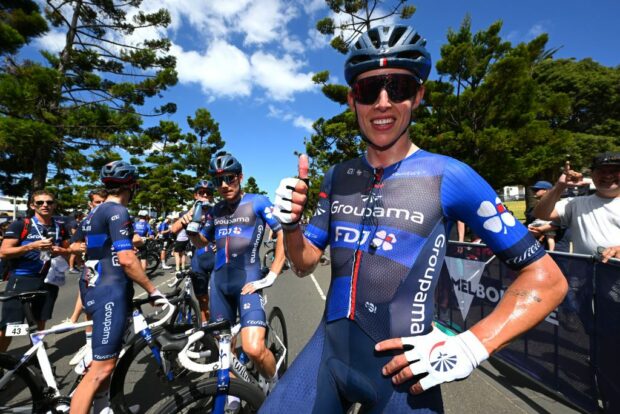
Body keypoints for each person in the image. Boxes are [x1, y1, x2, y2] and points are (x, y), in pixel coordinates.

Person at [265, 25, 568, 413]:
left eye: (400, 87)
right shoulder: (337, 176)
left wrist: (472, 346)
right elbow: (305, 264)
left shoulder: (450, 176)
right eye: (369, 89)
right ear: (351, 99)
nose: (384, 102)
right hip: (326, 356)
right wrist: (291, 226)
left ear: (419, 95)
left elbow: (548, 280)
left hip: (404, 379)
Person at [182, 154, 286, 400]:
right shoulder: (216, 209)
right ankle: (235, 395)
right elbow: (202, 243)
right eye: (218, 181)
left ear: (240, 177)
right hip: (218, 284)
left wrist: (273, 272)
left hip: (248, 281)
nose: (224, 185)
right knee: (224, 353)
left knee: (254, 348)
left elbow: (282, 232)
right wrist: (192, 230)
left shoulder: (257, 202)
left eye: (229, 178)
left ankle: (278, 389)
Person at [70, 161, 166, 414]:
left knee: (103, 360)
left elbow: (76, 245)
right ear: (132, 186)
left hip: (91, 285)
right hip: (110, 292)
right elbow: (126, 259)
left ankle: (103, 408)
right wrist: (152, 289)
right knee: (101, 369)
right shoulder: (118, 211)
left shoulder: (94, 212)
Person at [0, 190, 72, 352]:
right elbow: (3, 252)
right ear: (33, 205)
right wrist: (31, 246)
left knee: (41, 322)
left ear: (55, 205)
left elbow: (68, 251)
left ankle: (37, 359)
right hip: (22, 279)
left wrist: (61, 250)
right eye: (40, 203)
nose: (45, 205)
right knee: (10, 326)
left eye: (49, 202)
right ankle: (2, 360)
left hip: (49, 279)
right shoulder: (21, 224)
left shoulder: (60, 226)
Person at [533, 153, 620, 259]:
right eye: (602, 171)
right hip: (586, 273)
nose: (608, 175)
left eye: (615, 171)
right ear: (592, 175)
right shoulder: (575, 204)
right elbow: (541, 213)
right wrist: (559, 186)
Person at [170, 179, 217, 322]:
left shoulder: (218, 211)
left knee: (218, 300)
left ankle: (220, 331)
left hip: (216, 258)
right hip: (198, 260)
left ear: (212, 196)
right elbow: (173, 229)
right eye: (201, 193)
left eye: (208, 193)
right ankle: (205, 330)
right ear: (195, 195)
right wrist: (191, 212)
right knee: (203, 301)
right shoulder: (188, 212)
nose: (204, 195)